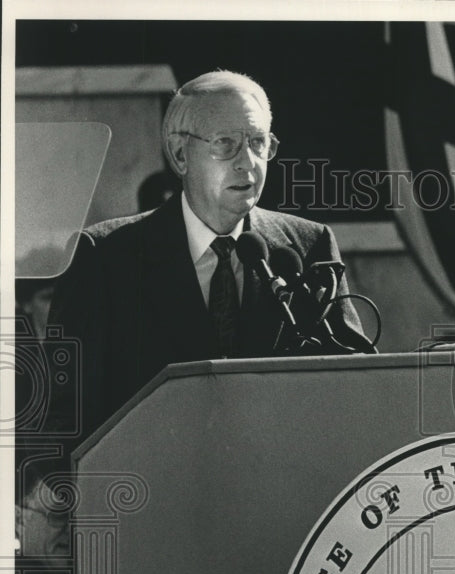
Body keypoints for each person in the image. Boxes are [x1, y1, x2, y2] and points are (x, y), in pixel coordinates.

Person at [48, 69, 374, 448]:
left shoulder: (307, 245)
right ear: (180, 154)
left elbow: (355, 387)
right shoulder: (104, 257)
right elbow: (63, 415)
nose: (248, 163)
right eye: (226, 144)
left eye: (257, 142)